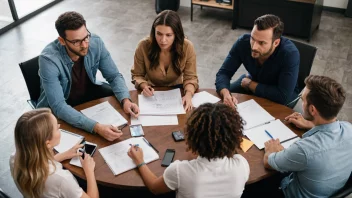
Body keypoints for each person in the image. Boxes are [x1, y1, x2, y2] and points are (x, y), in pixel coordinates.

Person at [36, 11, 139, 141]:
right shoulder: (48, 60)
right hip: (61, 105)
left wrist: (126, 100)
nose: (85, 45)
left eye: (86, 37)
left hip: (88, 92)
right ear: (62, 40)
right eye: (76, 42)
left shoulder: (95, 43)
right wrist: (96, 127)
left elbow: (113, 76)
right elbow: (59, 106)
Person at [128, 103, 249, 198]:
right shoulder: (242, 165)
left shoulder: (180, 170)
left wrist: (139, 161)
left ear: (192, 138)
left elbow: (154, 188)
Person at [263, 75, 352, 198]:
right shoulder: (349, 128)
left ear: (312, 109)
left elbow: (268, 163)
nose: (301, 102)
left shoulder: (304, 150)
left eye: (302, 99)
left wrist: (271, 150)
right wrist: (310, 124)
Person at [10, 108, 99, 198]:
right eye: (56, 128)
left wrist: (64, 155)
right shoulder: (61, 179)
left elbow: (38, 165)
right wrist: (89, 172)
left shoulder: (14, 159)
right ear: (48, 143)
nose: (59, 126)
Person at [215, 14, 300, 107]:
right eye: (253, 38)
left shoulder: (289, 54)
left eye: (261, 43)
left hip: (280, 94)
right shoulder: (243, 43)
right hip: (252, 80)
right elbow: (223, 73)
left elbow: (283, 96)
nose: (254, 47)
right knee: (219, 100)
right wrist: (226, 94)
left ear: (276, 43)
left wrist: (251, 85)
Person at [131, 10, 198, 111]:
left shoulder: (187, 47)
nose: (163, 40)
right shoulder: (143, 46)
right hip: (151, 90)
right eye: (159, 34)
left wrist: (188, 95)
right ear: (154, 32)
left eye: (168, 35)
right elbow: (137, 75)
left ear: (176, 34)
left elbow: (190, 77)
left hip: (177, 88)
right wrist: (144, 86)